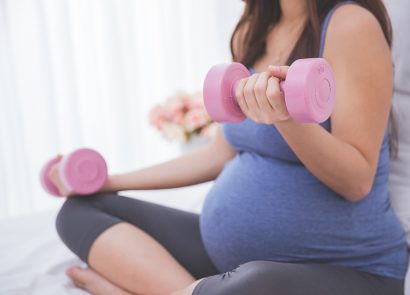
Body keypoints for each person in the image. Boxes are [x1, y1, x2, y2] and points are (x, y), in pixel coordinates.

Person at [52, 1, 408, 294]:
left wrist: (285, 119)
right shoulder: (252, 29)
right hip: (230, 262)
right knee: (80, 210)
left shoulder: (350, 25)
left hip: (346, 270)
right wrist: (110, 181)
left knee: (253, 283)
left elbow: (356, 181)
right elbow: (217, 154)